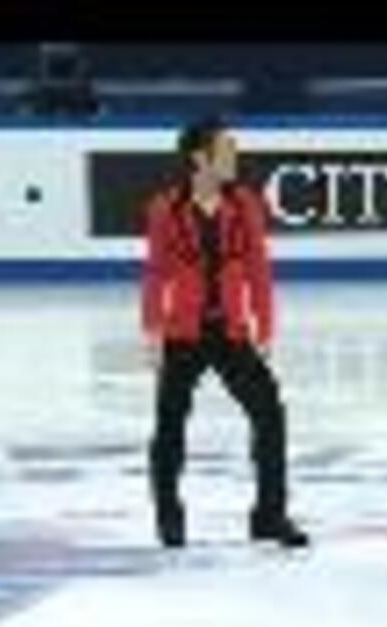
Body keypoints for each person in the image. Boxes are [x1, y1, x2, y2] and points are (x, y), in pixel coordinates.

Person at [141, 115, 309, 549]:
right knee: (170, 425)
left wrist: (265, 325)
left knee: (269, 414)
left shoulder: (245, 204)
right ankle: (169, 515)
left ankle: (269, 516)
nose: (234, 157)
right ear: (200, 158)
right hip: (184, 333)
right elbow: (156, 273)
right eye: (226, 150)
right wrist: (153, 329)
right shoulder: (165, 208)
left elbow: (258, 268)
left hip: (232, 331)